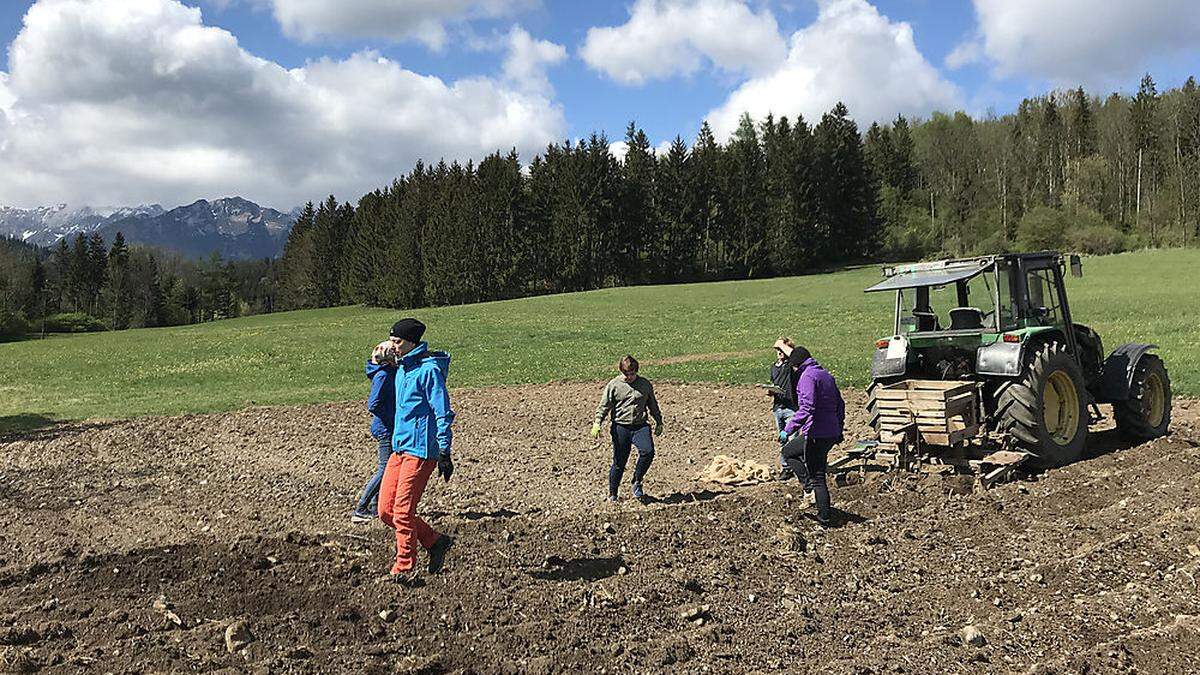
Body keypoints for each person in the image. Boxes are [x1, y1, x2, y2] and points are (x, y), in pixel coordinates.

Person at [377, 318, 456, 582]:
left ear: (412, 342)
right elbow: (373, 369)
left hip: (421, 451)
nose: (393, 347)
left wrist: (445, 450)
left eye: (397, 342)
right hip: (399, 449)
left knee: (402, 512)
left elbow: (442, 412)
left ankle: (404, 568)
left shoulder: (428, 371)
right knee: (385, 511)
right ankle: (435, 542)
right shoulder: (402, 368)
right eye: (392, 341)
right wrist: (377, 356)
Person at [779, 346, 845, 526]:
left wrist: (789, 429)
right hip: (830, 432)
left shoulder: (807, 377)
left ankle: (824, 518)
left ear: (796, 365)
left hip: (816, 432)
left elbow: (807, 408)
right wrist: (839, 428)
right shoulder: (825, 375)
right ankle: (809, 489)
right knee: (790, 452)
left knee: (818, 476)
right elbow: (840, 404)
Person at [591, 355, 663, 504]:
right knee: (619, 462)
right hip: (621, 427)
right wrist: (597, 422)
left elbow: (652, 404)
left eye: (632, 374)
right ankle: (613, 493)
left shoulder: (644, 384)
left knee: (648, 452)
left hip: (640, 426)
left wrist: (658, 421)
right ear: (621, 372)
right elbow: (604, 406)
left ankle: (637, 480)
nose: (630, 377)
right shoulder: (614, 385)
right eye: (626, 374)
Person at [351, 341, 398, 524]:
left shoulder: (389, 372)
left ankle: (374, 507)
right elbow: (373, 404)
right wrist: (392, 417)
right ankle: (361, 508)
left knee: (386, 469)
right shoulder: (383, 375)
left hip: (390, 426)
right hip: (385, 428)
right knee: (385, 469)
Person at [768, 337, 797, 480]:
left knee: (793, 438)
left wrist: (784, 346)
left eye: (782, 350)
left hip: (791, 408)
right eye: (778, 350)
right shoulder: (774, 367)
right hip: (778, 407)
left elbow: (795, 357)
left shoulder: (791, 366)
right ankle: (786, 467)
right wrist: (771, 391)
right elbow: (774, 382)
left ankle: (797, 466)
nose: (779, 352)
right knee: (783, 439)